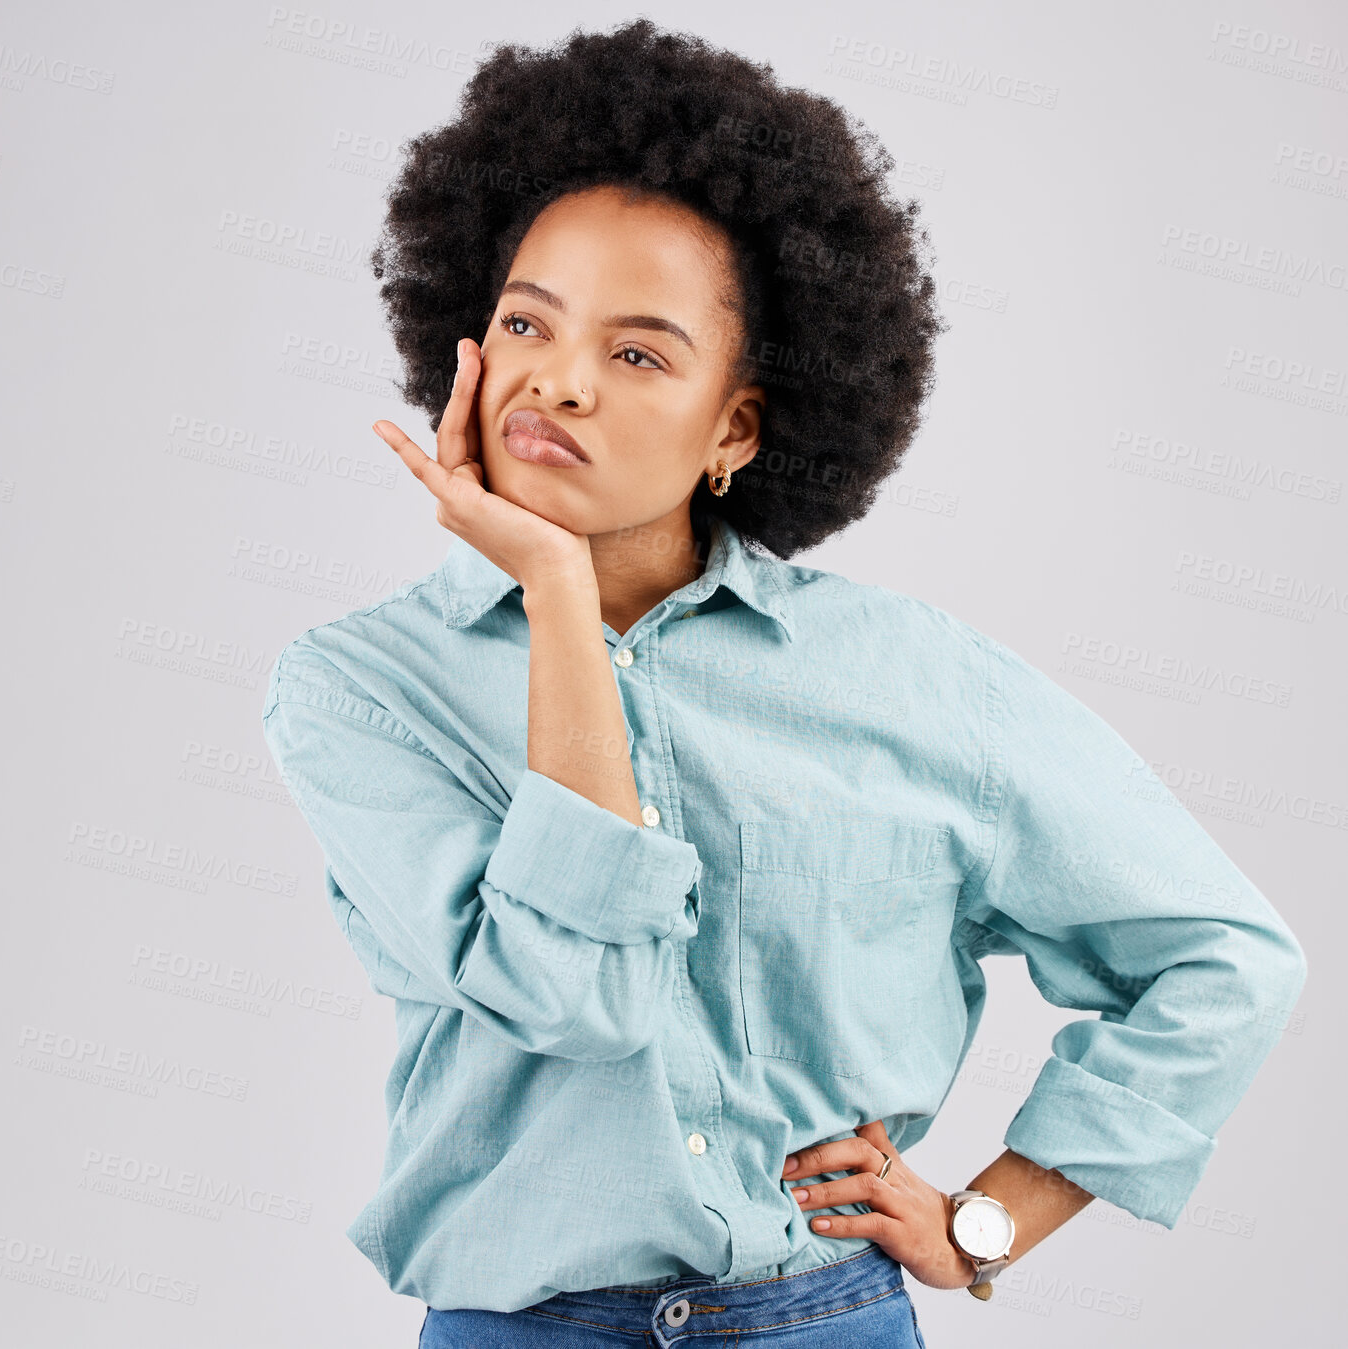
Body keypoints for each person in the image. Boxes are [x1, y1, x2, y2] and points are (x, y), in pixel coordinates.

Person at [260, 20, 1308, 1347]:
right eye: (527, 321)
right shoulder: (362, 691)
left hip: (827, 1321)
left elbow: (1218, 957)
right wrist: (556, 593)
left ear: (736, 427)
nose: (560, 382)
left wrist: (985, 1221)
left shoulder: (914, 679)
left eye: (637, 353)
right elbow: (571, 996)